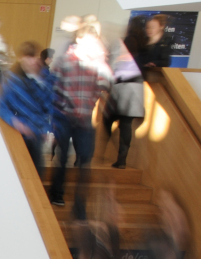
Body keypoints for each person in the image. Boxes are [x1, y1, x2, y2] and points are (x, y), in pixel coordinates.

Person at [48, 25, 111, 217]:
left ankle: (79, 204)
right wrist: (65, 105)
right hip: (66, 116)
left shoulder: (97, 62)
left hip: (84, 118)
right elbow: (54, 86)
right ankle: (56, 194)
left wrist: (90, 99)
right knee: (63, 157)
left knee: (85, 161)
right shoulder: (65, 61)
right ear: (80, 40)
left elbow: (106, 83)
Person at [0, 41, 52, 176]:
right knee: (18, 172)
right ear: (21, 58)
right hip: (17, 133)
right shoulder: (10, 78)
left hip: (36, 133)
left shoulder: (43, 76)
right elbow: (1, 105)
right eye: (28, 57)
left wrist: (46, 127)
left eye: (34, 57)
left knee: (37, 172)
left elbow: (48, 104)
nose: (32, 61)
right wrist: (16, 122)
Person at [104, 18, 146, 169]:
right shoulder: (143, 44)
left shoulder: (126, 42)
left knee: (107, 120)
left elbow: (116, 63)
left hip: (123, 87)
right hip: (137, 87)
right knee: (126, 124)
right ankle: (122, 159)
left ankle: (102, 151)